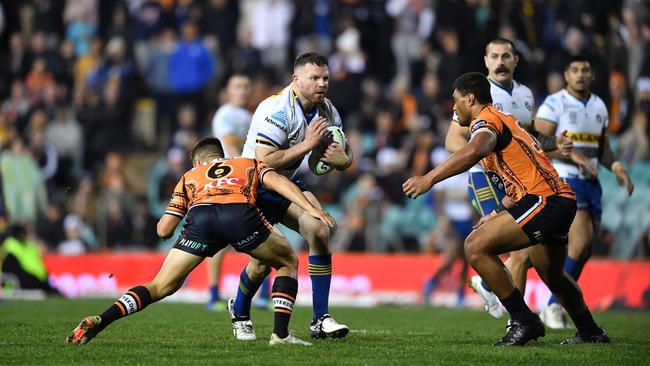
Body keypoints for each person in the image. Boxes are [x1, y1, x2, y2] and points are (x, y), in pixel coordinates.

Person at [65, 137, 336, 346]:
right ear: (220, 156)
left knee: (160, 286)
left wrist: (170, 230)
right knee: (287, 261)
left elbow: (163, 229)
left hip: (201, 222)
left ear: (196, 161)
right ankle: (280, 335)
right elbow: (276, 181)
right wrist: (310, 208)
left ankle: (102, 319)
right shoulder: (245, 163)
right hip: (238, 215)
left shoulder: (188, 177)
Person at [403, 72, 609, 346]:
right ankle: (590, 331)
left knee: (474, 246)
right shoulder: (506, 121)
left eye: (456, 101)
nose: (454, 108)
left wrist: (429, 178)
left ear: (470, 98)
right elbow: (519, 179)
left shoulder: (486, 122)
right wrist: (497, 212)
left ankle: (524, 321)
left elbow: (475, 149)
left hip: (545, 201)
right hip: (557, 200)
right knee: (553, 276)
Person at [445, 38, 573, 318]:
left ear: (516, 60)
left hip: (518, 181)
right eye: (495, 56)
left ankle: (492, 288)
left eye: (506, 56)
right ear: (486, 61)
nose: (500, 62)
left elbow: (527, 138)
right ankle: (517, 320)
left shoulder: (525, 94)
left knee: (525, 250)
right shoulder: (476, 96)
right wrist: (486, 156)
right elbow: (453, 140)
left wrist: (554, 145)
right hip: (485, 179)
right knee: (522, 251)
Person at [229, 51, 353, 340]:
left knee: (319, 230)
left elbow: (341, 152)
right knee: (262, 264)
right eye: (314, 78)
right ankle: (239, 308)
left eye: (325, 78)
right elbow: (265, 161)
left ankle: (320, 318)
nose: (322, 84)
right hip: (254, 186)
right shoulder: (276, 110)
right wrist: (309, 144)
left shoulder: (327, 110)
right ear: (296, 79)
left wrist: (342, 161)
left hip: (285, 182)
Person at [532, 55, 634, 328]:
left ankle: (554, 303)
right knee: (580, 240)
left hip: (592, 181)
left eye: (585, 70)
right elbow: (537, 140)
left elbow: (602, 148)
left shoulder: (600, 105)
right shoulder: (555, 103)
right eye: (574, 70)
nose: (580, 75)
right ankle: (553, 306)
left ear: (591, 76)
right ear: (566, 75)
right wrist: (571, 155)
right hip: (565, 179)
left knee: (586, 247)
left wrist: (617, 167)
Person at [205, 73, 272, 311]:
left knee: (263, 231)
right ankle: (213, 295)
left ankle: (263, 292)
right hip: (230, 180)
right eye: (237, 86)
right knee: (222, 242)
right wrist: (246, 165)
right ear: (228, 90)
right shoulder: (225, 113)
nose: (242, 90)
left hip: (247, 180)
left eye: (246, 86)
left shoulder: (248, 116)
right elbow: (229, 142)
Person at [422, 147, 472, 306]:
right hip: (450, 219)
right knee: (450, 257)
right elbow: (438, 202)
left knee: (466, 260)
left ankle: (461, 293)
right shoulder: (447, 175)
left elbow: (472, 201)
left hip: (467, 220)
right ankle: (432, 282)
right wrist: (444, 219)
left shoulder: (470, 175)